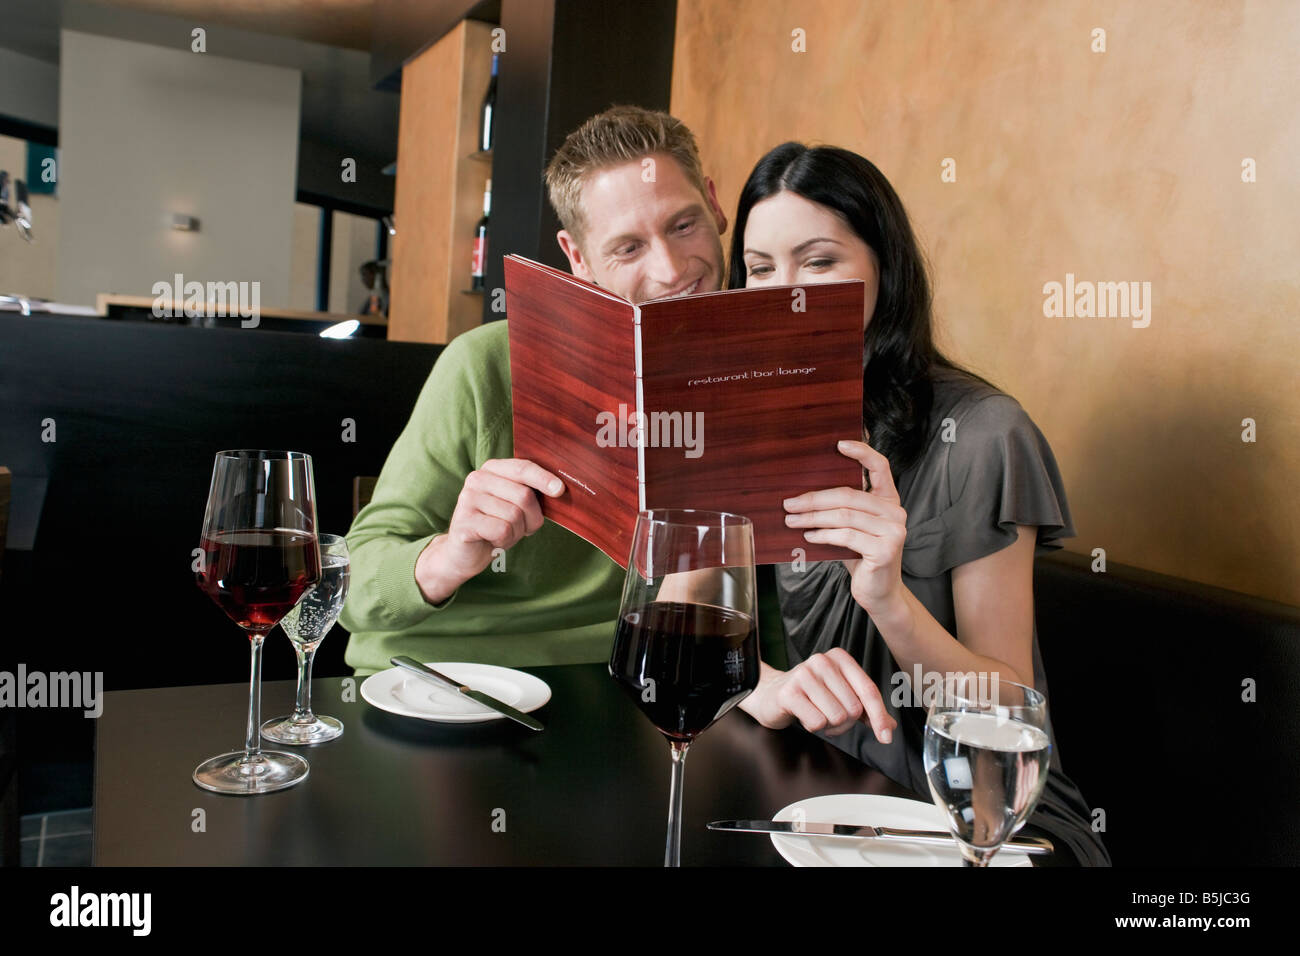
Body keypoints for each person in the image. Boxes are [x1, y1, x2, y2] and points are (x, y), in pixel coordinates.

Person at [729, 142, 1111, 866]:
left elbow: (1008, 710)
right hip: (834, 799)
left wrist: (888, 600)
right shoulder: (767, 427)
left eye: (819, 262)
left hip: (987, 818)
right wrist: (767, 686)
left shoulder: (987, 434)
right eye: (759, 269)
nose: (789, 293)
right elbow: (689, 628)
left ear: (885, 270)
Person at [340, 106, 733, 674]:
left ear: (715, 206)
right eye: (628, 248)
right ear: (577, 258)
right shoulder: (484, 365)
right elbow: (355, 584)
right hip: (449, 678)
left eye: (683, 224)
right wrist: (452, 553)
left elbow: (762, 593)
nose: (672, 270)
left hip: (637, 681)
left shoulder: (757, 365)